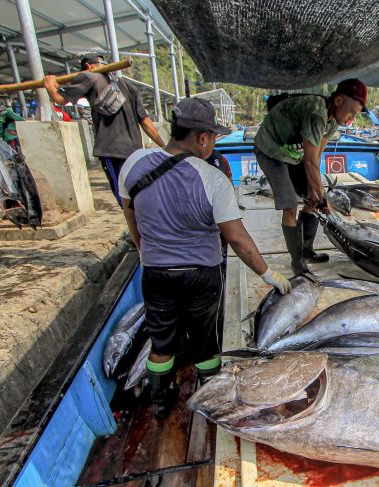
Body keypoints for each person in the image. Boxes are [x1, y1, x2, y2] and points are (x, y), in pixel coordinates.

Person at [118, 98, 291, 419]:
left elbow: (132, 220)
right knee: (204, 341)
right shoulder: (213, 180)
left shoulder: (133, 164)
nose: (214, 143)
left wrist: (148, 253)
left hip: (156, 272)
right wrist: (270, 275)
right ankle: (210, 392)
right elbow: (238, 239)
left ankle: (159, 401)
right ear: (201, 138)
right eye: (213, 136)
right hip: (202, 274)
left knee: (161, 341)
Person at [254, 79, 368, 274]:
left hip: (292, 154)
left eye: (355, 115)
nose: (351, 119)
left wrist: (316, 193)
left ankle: (307, 250)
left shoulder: (332, 122)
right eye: (351, 112)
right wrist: (325, 201)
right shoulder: (317, 113)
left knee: (312, 199)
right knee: (290, 206)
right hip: (270, 150)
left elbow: (315, 156)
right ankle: (297, 262)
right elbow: (310, 162)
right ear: (338, 100)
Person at [43, 53, 165, 206]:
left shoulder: (88, 77)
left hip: (112, 151)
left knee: (125, 198)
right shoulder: (129, 86)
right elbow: (145, 121)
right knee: (139, 193)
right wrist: (163, 146)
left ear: (88, 66)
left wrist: (49, 86)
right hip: (135, 151)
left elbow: (60, 99)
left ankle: (136, 227)